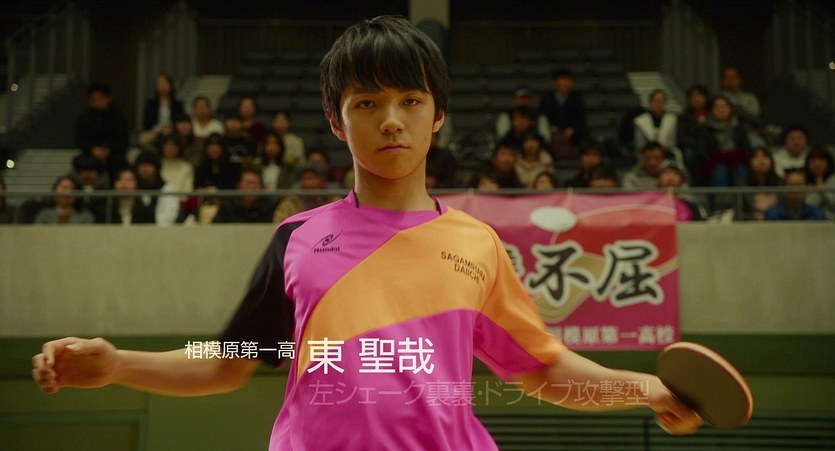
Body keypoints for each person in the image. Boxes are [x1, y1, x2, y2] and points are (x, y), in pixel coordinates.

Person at [32, 16, 701, 450]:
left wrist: (642, 388)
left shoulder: (476, 243)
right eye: (367, 103)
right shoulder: (297, 238)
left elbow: (541, 368)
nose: (391, 121)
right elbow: (230, 359)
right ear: (336, 120)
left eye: (410, 100)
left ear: (438, 115)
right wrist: (117, 363)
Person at [701, 95, 750, 187]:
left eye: (724, 106)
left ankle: (741, 196)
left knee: (740, 170)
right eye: (717, 106)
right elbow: (703, 153)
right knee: (720, 171)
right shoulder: (705, 129)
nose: (721, 109)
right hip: (715, 164)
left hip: (737, 161)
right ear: (711, 110)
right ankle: (721, 197)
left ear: (731, 108)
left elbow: (746, 149)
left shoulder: (739, 127)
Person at [539, 67, 588, 157]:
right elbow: (542, 116)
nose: (564, 83)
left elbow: (581, 117)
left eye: (567, 80)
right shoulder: (547, 97)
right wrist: (551, 127)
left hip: (573, 132)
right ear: (555, 82)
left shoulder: (577, 97)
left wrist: (572, 129)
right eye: (561, 80)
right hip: (551, 131)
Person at [75, 82, 130, 161]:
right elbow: (80, 140)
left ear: (108, 98)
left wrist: (108, 150)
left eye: (100, 99)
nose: (97, 103)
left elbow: (123, 140)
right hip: (91, 155)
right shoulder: (84, 117)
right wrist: (93, 150)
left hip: (114, 155)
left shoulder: (119, 117)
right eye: (94, 100)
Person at [271, 163, 340, 224]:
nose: (309, 184)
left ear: (323, 182)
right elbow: (279, 226)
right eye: (305, 179)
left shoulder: (336, 202)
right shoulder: (289, 204)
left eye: (313, 179)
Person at [676, 85, 711, 182]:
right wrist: (698, 144)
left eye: (699, 95)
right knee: (689, 154)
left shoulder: (714, 114)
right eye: (693, 96)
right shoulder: (684, 117)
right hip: (694, 148)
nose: (696, 99)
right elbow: (681, 138)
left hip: (711, 147)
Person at [140, 72, 185, 147]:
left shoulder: (178, 104)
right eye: (159, 83)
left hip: (172, 131)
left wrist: (170, 127)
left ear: (171, 85)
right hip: (155, 131)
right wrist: (159, 128)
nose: (162, 86)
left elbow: (180, 121)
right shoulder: (150, 104)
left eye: (165, 83)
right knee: (144, 138)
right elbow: (146, 124)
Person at [742, 147, 783, 221]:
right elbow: (740, 214)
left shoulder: (781, 184)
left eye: (765, 156)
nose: (761, 160)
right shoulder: (742, 186)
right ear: (749, 162)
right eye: (756, 156)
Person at [633, 89, 678, 154]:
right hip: (646, 154)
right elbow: (639, 144)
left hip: (666, 153)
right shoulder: (640, 120)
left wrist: (666, 148)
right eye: (656, 101)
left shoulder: (672, 119)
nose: (658, 104)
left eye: (661, 101)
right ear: (650, 102)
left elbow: (672, 141)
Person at [803, 146, 834, 218]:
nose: (817, 164)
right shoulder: (803, 180)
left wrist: (823, 192)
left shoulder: (833, 180)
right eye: (813, 160)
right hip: (808, 220)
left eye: (821, 160)